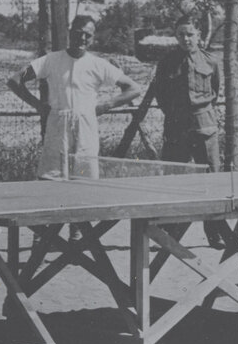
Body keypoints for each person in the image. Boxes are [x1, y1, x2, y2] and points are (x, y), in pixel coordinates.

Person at [8, 15, 142, 238]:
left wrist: (106, 105)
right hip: (58, 123)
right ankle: (42, 234)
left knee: (83, 178)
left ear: (93, 38)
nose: (82, 38)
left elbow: (133, 89)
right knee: (50, 178)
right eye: (78, 33)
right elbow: (14, 80)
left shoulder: (98, 64)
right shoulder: (51, 60)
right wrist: (38, 106)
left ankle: (78, 234)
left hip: (86, 125)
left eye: (87, 35)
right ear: (70, 33)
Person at [153, 13, 224, 248]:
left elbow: (215, 91)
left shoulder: (211, 61)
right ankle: (170, 233)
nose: (186, 39)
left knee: (212, 180)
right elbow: (161, 95)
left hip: (204, 125)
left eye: (190, 34)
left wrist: (200, 114)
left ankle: (215, 232)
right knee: (174, 180)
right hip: (176, 126)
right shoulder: (167, 62)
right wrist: (176, 116)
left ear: (199, 35)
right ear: (175, 36)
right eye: (181, 34)